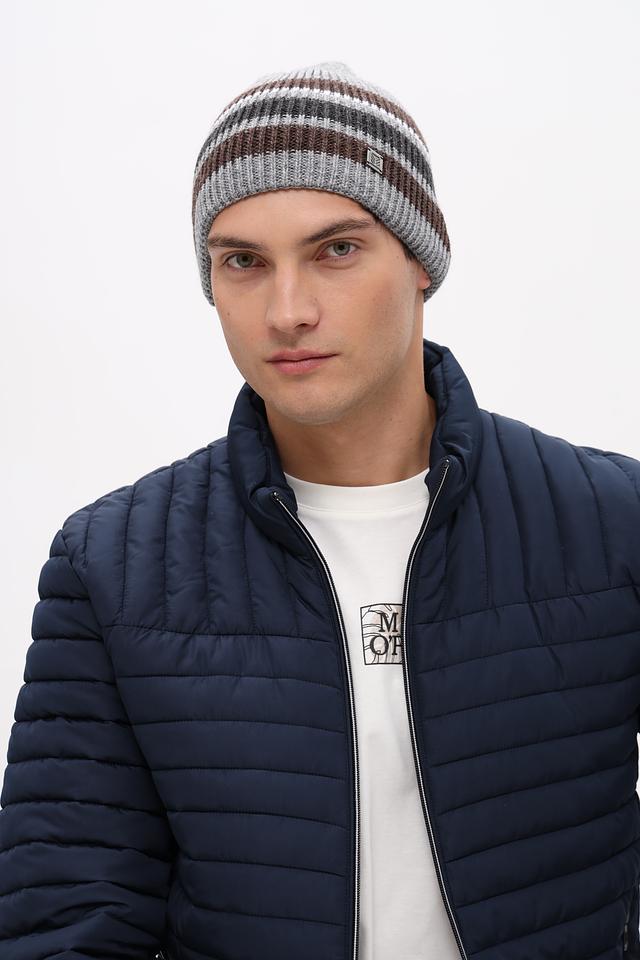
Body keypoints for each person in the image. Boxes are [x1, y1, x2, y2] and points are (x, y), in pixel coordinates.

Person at [1, 59, 639, 960]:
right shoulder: (111, 565)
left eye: (336, 249)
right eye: (243, 262)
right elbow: (66, 917)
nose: (287, 310)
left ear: (421, 261)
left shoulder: (610, 524)